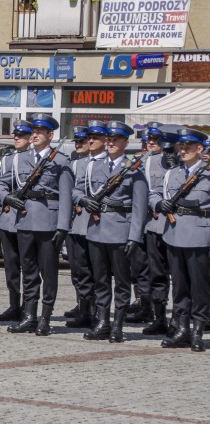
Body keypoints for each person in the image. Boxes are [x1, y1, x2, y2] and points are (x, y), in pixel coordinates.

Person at [0, 113, 72, 336]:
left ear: (50, 135)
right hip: (24, 220)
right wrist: (5, 197)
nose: (36, 135)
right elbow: (1, 183)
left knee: (48, 272)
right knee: (28, 271)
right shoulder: (19, 158)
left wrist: (62, 227)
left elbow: (66, 196)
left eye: (41, 132)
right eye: (35, 131)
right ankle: (29, 316)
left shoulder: (60, 161)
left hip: (49, 221)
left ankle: (45, 318)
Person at [75, 121, 148, 343]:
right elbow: (77, 189)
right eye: (109, 139)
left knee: (123, 282)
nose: (111, 143)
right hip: (96, 229)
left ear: (126, 142)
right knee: (100, 280)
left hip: (120, 231)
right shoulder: (94, 166)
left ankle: (118, 324)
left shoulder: (133, 170)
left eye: (116, 139)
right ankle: (102, 322)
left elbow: (140, 206)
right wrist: (83, 199)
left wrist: (135, 236)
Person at [151, 128, 209, 351]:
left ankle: (198, 331)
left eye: (188, 147)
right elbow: (154, 193)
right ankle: (182, 329)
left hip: (200, 234)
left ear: (199, 149)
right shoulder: (172, 173)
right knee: (180, 286)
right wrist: (158, 204)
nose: (183, 150)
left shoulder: (207, 174)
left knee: (199, 287)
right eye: (181, 147)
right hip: (174, 234)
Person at [134, 124, 176, 336]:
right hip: (152, 224)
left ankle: (179, 319)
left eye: (157, 140)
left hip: (176, 226)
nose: (152, 143)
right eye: (149, 139)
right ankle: (159, 317)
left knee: (179, 276)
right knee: (156, 275)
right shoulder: (146, 161)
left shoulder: (178, 161)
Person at [63, 122, 103, 331]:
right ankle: (84, 308)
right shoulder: (75, 164)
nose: (82, 143)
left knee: (97, 271)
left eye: (84, 140)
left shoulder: (103, 163)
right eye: (79, 140)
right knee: (80, 270)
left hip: (96, 223)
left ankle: (97, 312)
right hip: (76, 224)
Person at [0, 120, 32, 322]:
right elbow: (0, 184)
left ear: (30, 138)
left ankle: (28, 306)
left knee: (29, 266)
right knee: (11, 266)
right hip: (9, 219)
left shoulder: (36, 159)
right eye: (15, 135)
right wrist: (5, 197)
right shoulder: (8, 160)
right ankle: (13, 304)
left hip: (28, 218)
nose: (17, 138)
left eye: (21, 136)